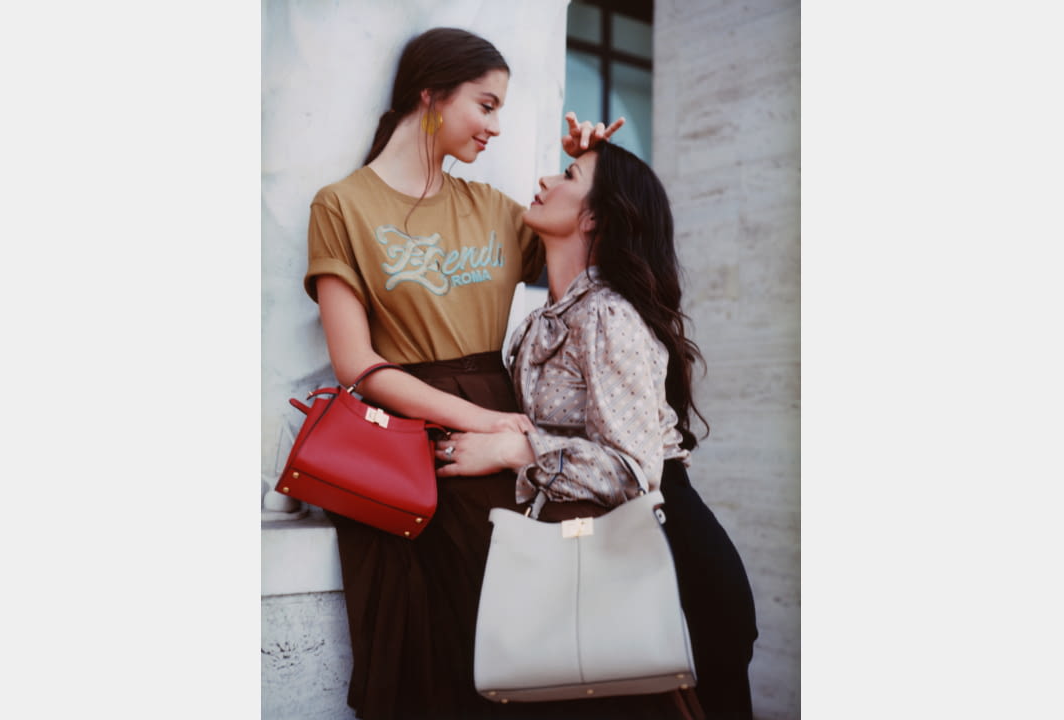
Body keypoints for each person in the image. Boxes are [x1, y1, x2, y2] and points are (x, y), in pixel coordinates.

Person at [304, 27, 625, 719]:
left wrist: (592, 171)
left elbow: (595, 262)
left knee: (517, 639)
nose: (497, 127)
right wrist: (481, 419)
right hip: (407, 447)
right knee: (423, 657)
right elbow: (356, 363)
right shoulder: (343, 205)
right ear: (431, 97)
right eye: (486, 104)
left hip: (497, 455)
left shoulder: (494, 211)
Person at [436, 140, 760, 720]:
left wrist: (518, 449)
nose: (543, 180)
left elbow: (636, 471)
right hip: (612, 553)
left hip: (675, 563)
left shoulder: (607, 314)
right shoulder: (544, 321)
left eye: (567, 174)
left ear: (592, 217)